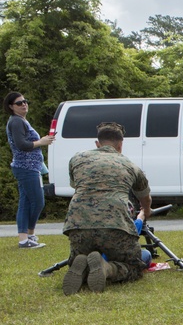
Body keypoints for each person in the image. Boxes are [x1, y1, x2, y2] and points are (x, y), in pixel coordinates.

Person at [61, 122, 152, 295]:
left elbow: (76, 186)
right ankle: (107, 268)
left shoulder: (77, 158)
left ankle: (81, 265)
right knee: (134, 266)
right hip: (115, 225)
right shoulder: (131, 165)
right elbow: (145, 198)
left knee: (82, 255)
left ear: (97, 144)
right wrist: (146, 211)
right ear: (120, 145)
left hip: (78, 224)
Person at [5, 92, 54, 249]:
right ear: (11, 107)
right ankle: (27, 236)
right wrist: (41, 142)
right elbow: (22, 145)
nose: (24, 104)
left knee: (26, 202)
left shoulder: (21, 121)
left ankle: (26, 238)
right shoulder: (16, 122)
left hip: (31, 167)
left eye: (25, 101)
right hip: (26, 167)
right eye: (19, 103)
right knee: (37, 201)